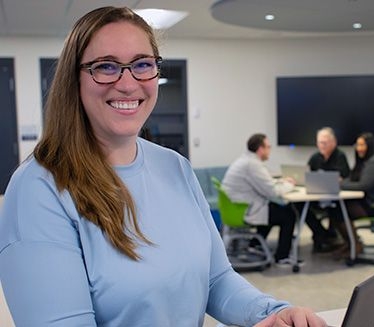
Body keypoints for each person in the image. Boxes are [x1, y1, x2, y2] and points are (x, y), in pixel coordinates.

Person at [0, 6, 326, 327]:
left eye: (142, 64)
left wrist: (272, 312)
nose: (128, 84)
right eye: (106, 66)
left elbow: (216, 280)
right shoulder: (39, 190)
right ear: (74, 78)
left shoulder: (175, 167)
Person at [222, 133, 300, 265]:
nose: (270, 150)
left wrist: (281, 181)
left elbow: (265, 183)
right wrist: (289, 185)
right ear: (260, 149)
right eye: (268, 147)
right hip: (245, 212)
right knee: (288, 214)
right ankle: (282, 256)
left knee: (272, 208)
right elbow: (272, 192)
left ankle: (256, 243)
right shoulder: (252, 165)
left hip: (237, 209)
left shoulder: (245, 160)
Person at [336, 132, 374, 259]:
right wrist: (341, 182)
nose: (359, 148)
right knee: (336, 208)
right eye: (357, 145)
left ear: (370, 146)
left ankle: (354, 244)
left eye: (362, 145)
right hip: (366, 202)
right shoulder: (363, 162)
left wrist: (339, 185)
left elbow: (363, 185)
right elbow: (351, 180)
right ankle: (350, 243)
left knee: (338, 210)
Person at [306, 127, 350, 250]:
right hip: (315, 195)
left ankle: (330, 236)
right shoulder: (315, 157)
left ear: (333, 142)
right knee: (301, 208)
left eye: (325, 143)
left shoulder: (340, 156)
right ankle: (321, 234)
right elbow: (307, 174)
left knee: (335, 210)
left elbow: (344, 177)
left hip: (334, 197)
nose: (322, 145)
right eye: (320, 142)